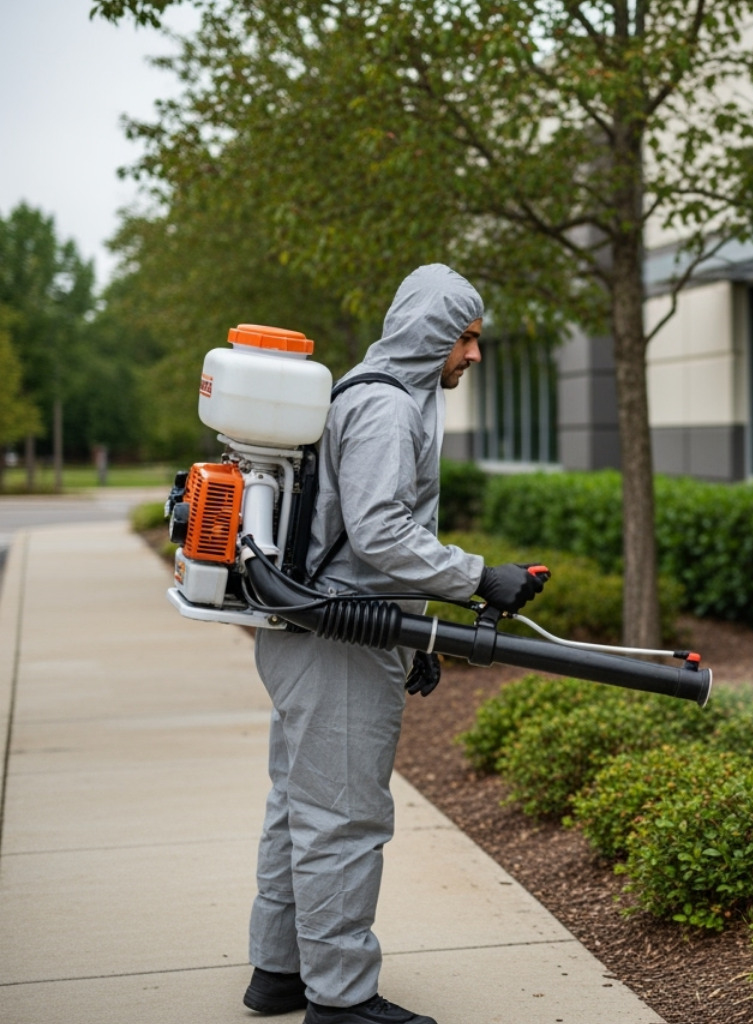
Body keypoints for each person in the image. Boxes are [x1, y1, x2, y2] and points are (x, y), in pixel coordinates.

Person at [242, 265, 544, 1024]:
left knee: (299, 806)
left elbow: (350, 536)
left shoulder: (365, 390)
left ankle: (279, 971)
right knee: (344, 817)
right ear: (430, 336)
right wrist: (480, 578)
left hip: (318, 632)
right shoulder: (384, 408)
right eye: (466, 338)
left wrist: (417, 640)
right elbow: (378, 533)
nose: (474, 355)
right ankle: (340, 1000)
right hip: (337, 640)